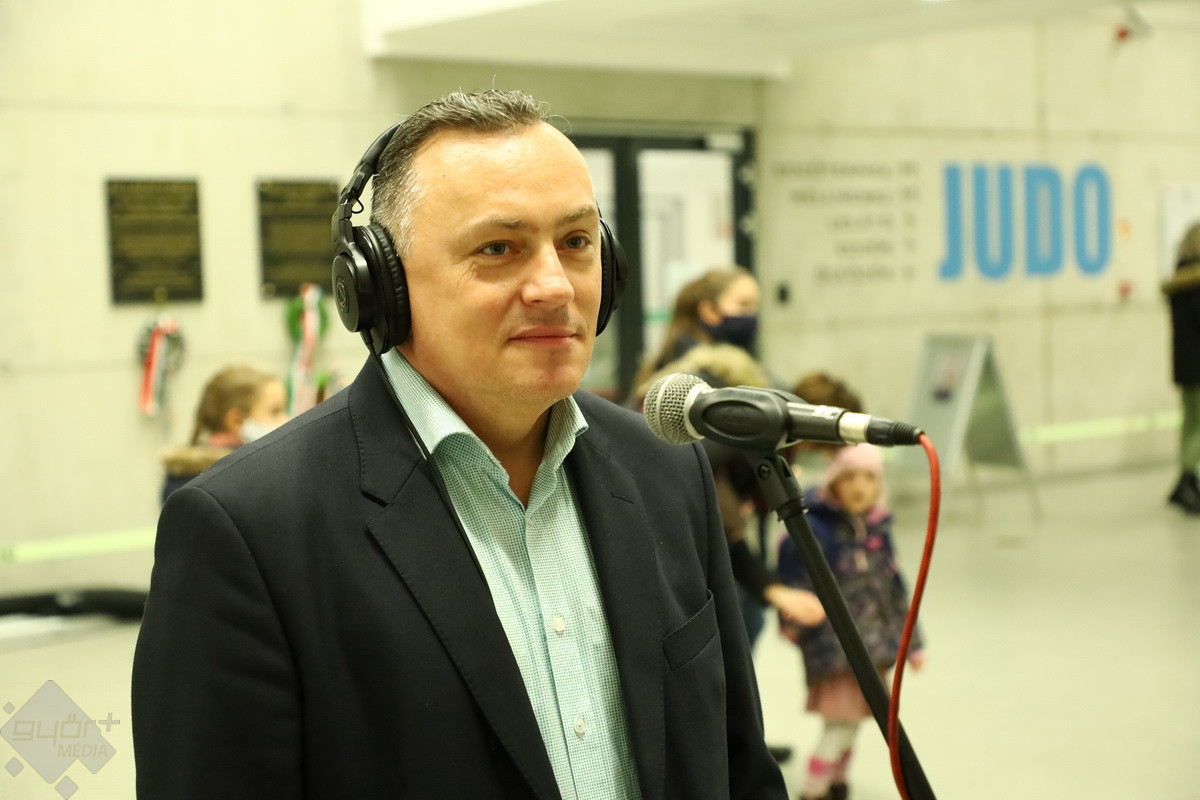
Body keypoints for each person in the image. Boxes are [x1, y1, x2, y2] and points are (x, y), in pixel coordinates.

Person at [132, 89, 786, 800]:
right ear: (383, 284)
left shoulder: (667, 464)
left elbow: (739, 767)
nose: (554, 287)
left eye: (575, 243)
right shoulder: (247, 531)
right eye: (498, 249)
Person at [776, 444, 925, 800]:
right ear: (833, 483)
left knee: (854, 723)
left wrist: (913, 643)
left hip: (874, 649)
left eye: (869, 478)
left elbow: (894, 591)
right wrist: (794, 622)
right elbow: (798, 584)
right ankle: (813, 791)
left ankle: (837, 783)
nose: (860, 487)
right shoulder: (818, 530)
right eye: (849, 477)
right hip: (836, 651)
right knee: (840, 726)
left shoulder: (877, 530)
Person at [158, 362, 287, 502]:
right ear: (236, 420)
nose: (286, 420)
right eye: (275, 411)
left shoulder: (182, 477)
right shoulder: (249, 478)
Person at [634, 265, 760, 391]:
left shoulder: (665, 363)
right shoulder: (705, 379)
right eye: (744, 305)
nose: (752, 313)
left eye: (755, 305)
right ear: (709, 311)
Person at [1163, 220, 1200, 515]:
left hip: (1185, 368)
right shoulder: (1195, 284)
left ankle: (1183, 481)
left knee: (1191, 424)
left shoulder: (1178, 281)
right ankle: (1188, 480)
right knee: (1196, 427)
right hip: (1197, 368)